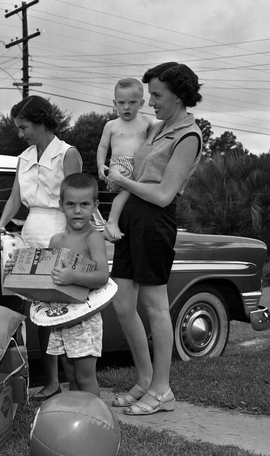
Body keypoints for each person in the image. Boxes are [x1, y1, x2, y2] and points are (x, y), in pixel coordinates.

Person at [106, 62, 203, 415]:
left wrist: (123, 183)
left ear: (179, 96)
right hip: (132, 217)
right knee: (122, 304)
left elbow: (163, 194)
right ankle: (145, 380)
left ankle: (162, 390)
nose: (151, 102)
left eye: (157, 95)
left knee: (155, 307)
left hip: (154, 221)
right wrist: (116, 179)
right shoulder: (159, 128)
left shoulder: (188, 136)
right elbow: (136, 171)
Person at [0, 95, 83, 401]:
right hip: (29, 234)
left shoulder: (68, 153)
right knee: (37, 310)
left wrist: (75, 240)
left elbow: (77, 198)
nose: (19, 133)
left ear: (41, 122)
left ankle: (75, 383)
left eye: (23, 127)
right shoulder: (24, 157)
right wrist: (1, 223)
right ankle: (51, 381)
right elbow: (15, 198)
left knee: (64, 310)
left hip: (60, 233)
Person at [46, 173, 110, 396]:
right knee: (71, 376)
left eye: (84, 204)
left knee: (84, 377)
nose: (77, 210)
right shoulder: (56, 241)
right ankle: (77, 418)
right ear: (61, 205)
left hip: (85, 319)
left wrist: (72, 277)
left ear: (95, 206)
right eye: (71, 204)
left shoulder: (93, 238)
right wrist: (15, 270)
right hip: (61, 317)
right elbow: (46, 276)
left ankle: (97, 420)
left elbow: (103, 275)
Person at [96, 77, 156, 242]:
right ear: (114, 103)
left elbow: (155, 143)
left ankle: (119, 223)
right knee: (126, 190)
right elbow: (102, 147)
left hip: (139, 164)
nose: (126, 107)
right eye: (121, 103)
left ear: (141, 103)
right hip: (119, 164)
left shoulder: (146, 121)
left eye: (132, 102)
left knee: (137, 194)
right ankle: (111, 222)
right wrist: (101, 165)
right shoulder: (111, 125)